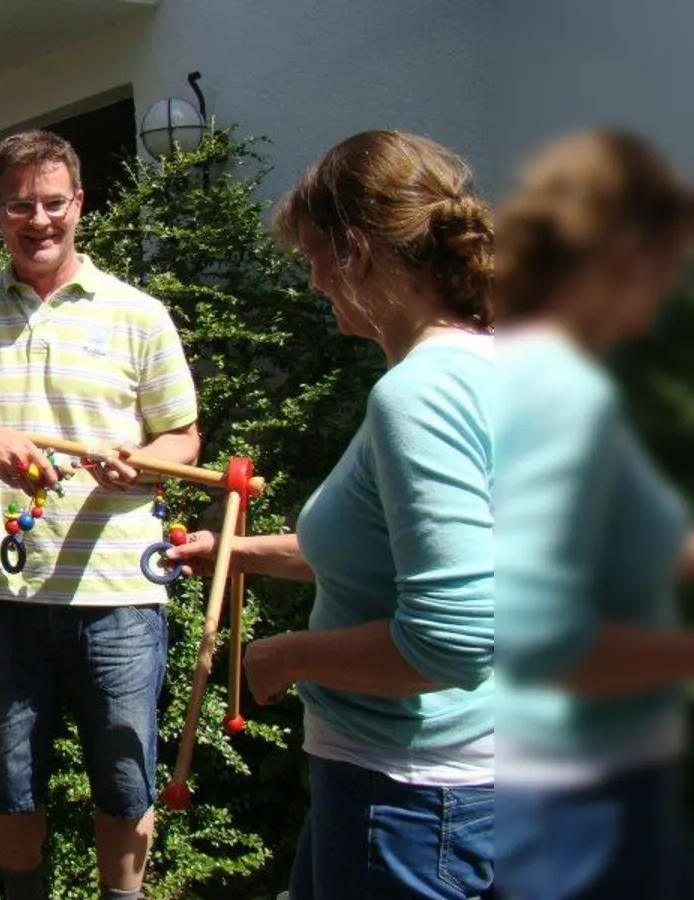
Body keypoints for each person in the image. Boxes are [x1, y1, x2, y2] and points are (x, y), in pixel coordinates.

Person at [0, 130, 201, 900]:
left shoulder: (138, 314)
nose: (39, 219)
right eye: (21, 204)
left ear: (80, 205)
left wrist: (146, 464)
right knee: (8, 784)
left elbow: (183, 435)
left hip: (118, 594)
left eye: (54, 202)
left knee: (125, 784)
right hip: (6, 598)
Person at [167, 130, 497, 899]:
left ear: (357, 253)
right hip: (452, 784)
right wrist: (240, 552)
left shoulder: (419, 395)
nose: (313, 280)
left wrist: (290, 656)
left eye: (315, 254)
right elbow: (405, 555)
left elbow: (449, 644)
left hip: (408, 798)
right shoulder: (499, 365)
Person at [490, 130, 694, 899]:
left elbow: (640, 542)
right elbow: (542, 638)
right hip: (574, 800)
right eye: (665, 264)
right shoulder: (553, 391)